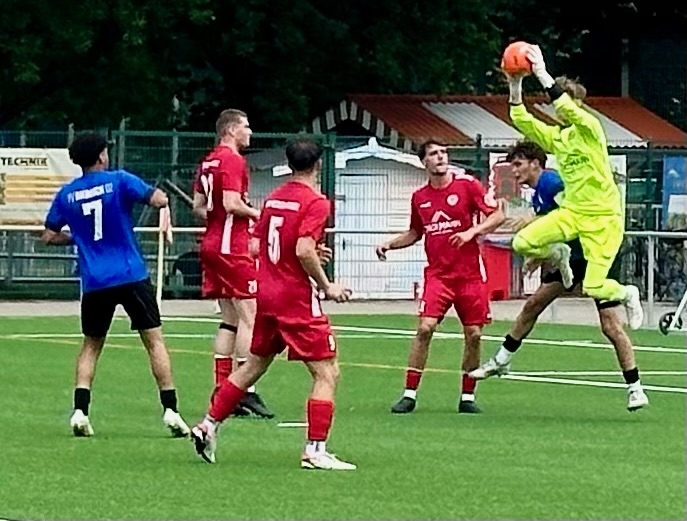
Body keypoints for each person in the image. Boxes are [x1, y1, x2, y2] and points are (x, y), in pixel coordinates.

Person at [190, 138, 356, 470]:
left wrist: (303, 255)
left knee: (253, 366)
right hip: (295, 299)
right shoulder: (316, 202)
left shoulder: (274, 199)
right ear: (319, 165)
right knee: (327, 372)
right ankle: (315, 450)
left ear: (289, 164)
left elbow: (256, 247)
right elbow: (303, 249)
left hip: (266, 295)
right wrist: (327, 285)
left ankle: (208, 425)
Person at [469, 141, 649, 411]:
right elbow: (553, 231)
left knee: (610, 326)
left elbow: (574, 214)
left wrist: (533, 227)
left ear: (535, 164)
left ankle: (635, 389)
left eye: (518, 164)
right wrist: (537, 256)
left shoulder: (553, 183)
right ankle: (502, 360)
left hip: (594, 253)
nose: (514, 171)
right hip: (572, 256)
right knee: (533, 305)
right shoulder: (539, 194)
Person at [41, 132, 189, 437]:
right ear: (101, 156)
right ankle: (171, 410)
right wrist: (162, 201)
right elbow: (158, 199)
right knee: (154, 341)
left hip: (95, 280)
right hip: (130, 273)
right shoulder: (119, 180)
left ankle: (80, 410)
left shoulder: (66, 195)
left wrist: (79, 238)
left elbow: (49, 236)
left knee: (91, 345)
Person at [506, 44, 643, 330]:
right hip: (572, 213)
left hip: (604, 219)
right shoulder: (558, 138)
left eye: (569, 102)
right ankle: (560, 253)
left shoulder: (591, 129)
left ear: (578, 104)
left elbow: (565, 105)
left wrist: (541, 72)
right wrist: (515, 84)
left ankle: (627, 293)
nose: (564, 108)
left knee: (594, 287)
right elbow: (521, 119)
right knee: (522, 243)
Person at [376, 140, 506, 414]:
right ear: (424, 161)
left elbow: (497, 216)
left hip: (470, 276)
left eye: (443, 153)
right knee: (425, 328)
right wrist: (390, 244)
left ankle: (467, 396)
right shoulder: (419, 197)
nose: (440, 157)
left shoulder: (467, 185)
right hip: (439, 276)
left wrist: (472, 232)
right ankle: (409, 394)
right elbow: (415, 233)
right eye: (434, 154)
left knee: (473, 334)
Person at [192, 108, 273, 419]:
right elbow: (230, 203)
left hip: (211, 244)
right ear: (230, 130)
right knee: (251, 316)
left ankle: (222, 387)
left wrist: (220, 219)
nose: (250, 132)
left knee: (230, 319)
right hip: (231, 247)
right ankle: (245, 390)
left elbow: (199, 206)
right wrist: (257, 214)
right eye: (246, 126)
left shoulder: (207, 161)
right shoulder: (232, 160)